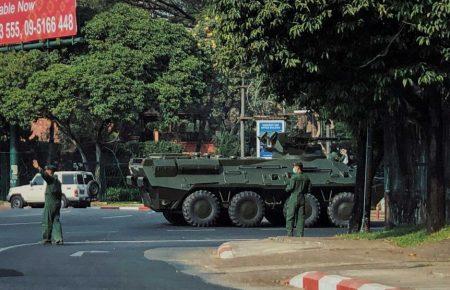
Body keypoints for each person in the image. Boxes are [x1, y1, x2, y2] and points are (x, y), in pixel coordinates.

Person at [32, 160, 64, 245]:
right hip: (57, 203)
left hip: (50, 203)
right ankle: (59, 239)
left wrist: (38, 167)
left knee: (47, 221)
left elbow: (44, 175)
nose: (46, 171)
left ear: (50, 171)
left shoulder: (51, 179)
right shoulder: (57, 181)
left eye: (47, 170)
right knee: (56, 220)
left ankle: (46, 239)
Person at [285, 162, 312, 237]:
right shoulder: (306, 177)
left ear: (298, 168)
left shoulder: (294, 177)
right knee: (301, 217)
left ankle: (289, 234)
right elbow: (309, 189)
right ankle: (300, 234)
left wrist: (286, 187)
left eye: (294, 167)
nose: (293, 168)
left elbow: (290, 188)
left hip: (294, 197)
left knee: (290, 216)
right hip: (302, 198)